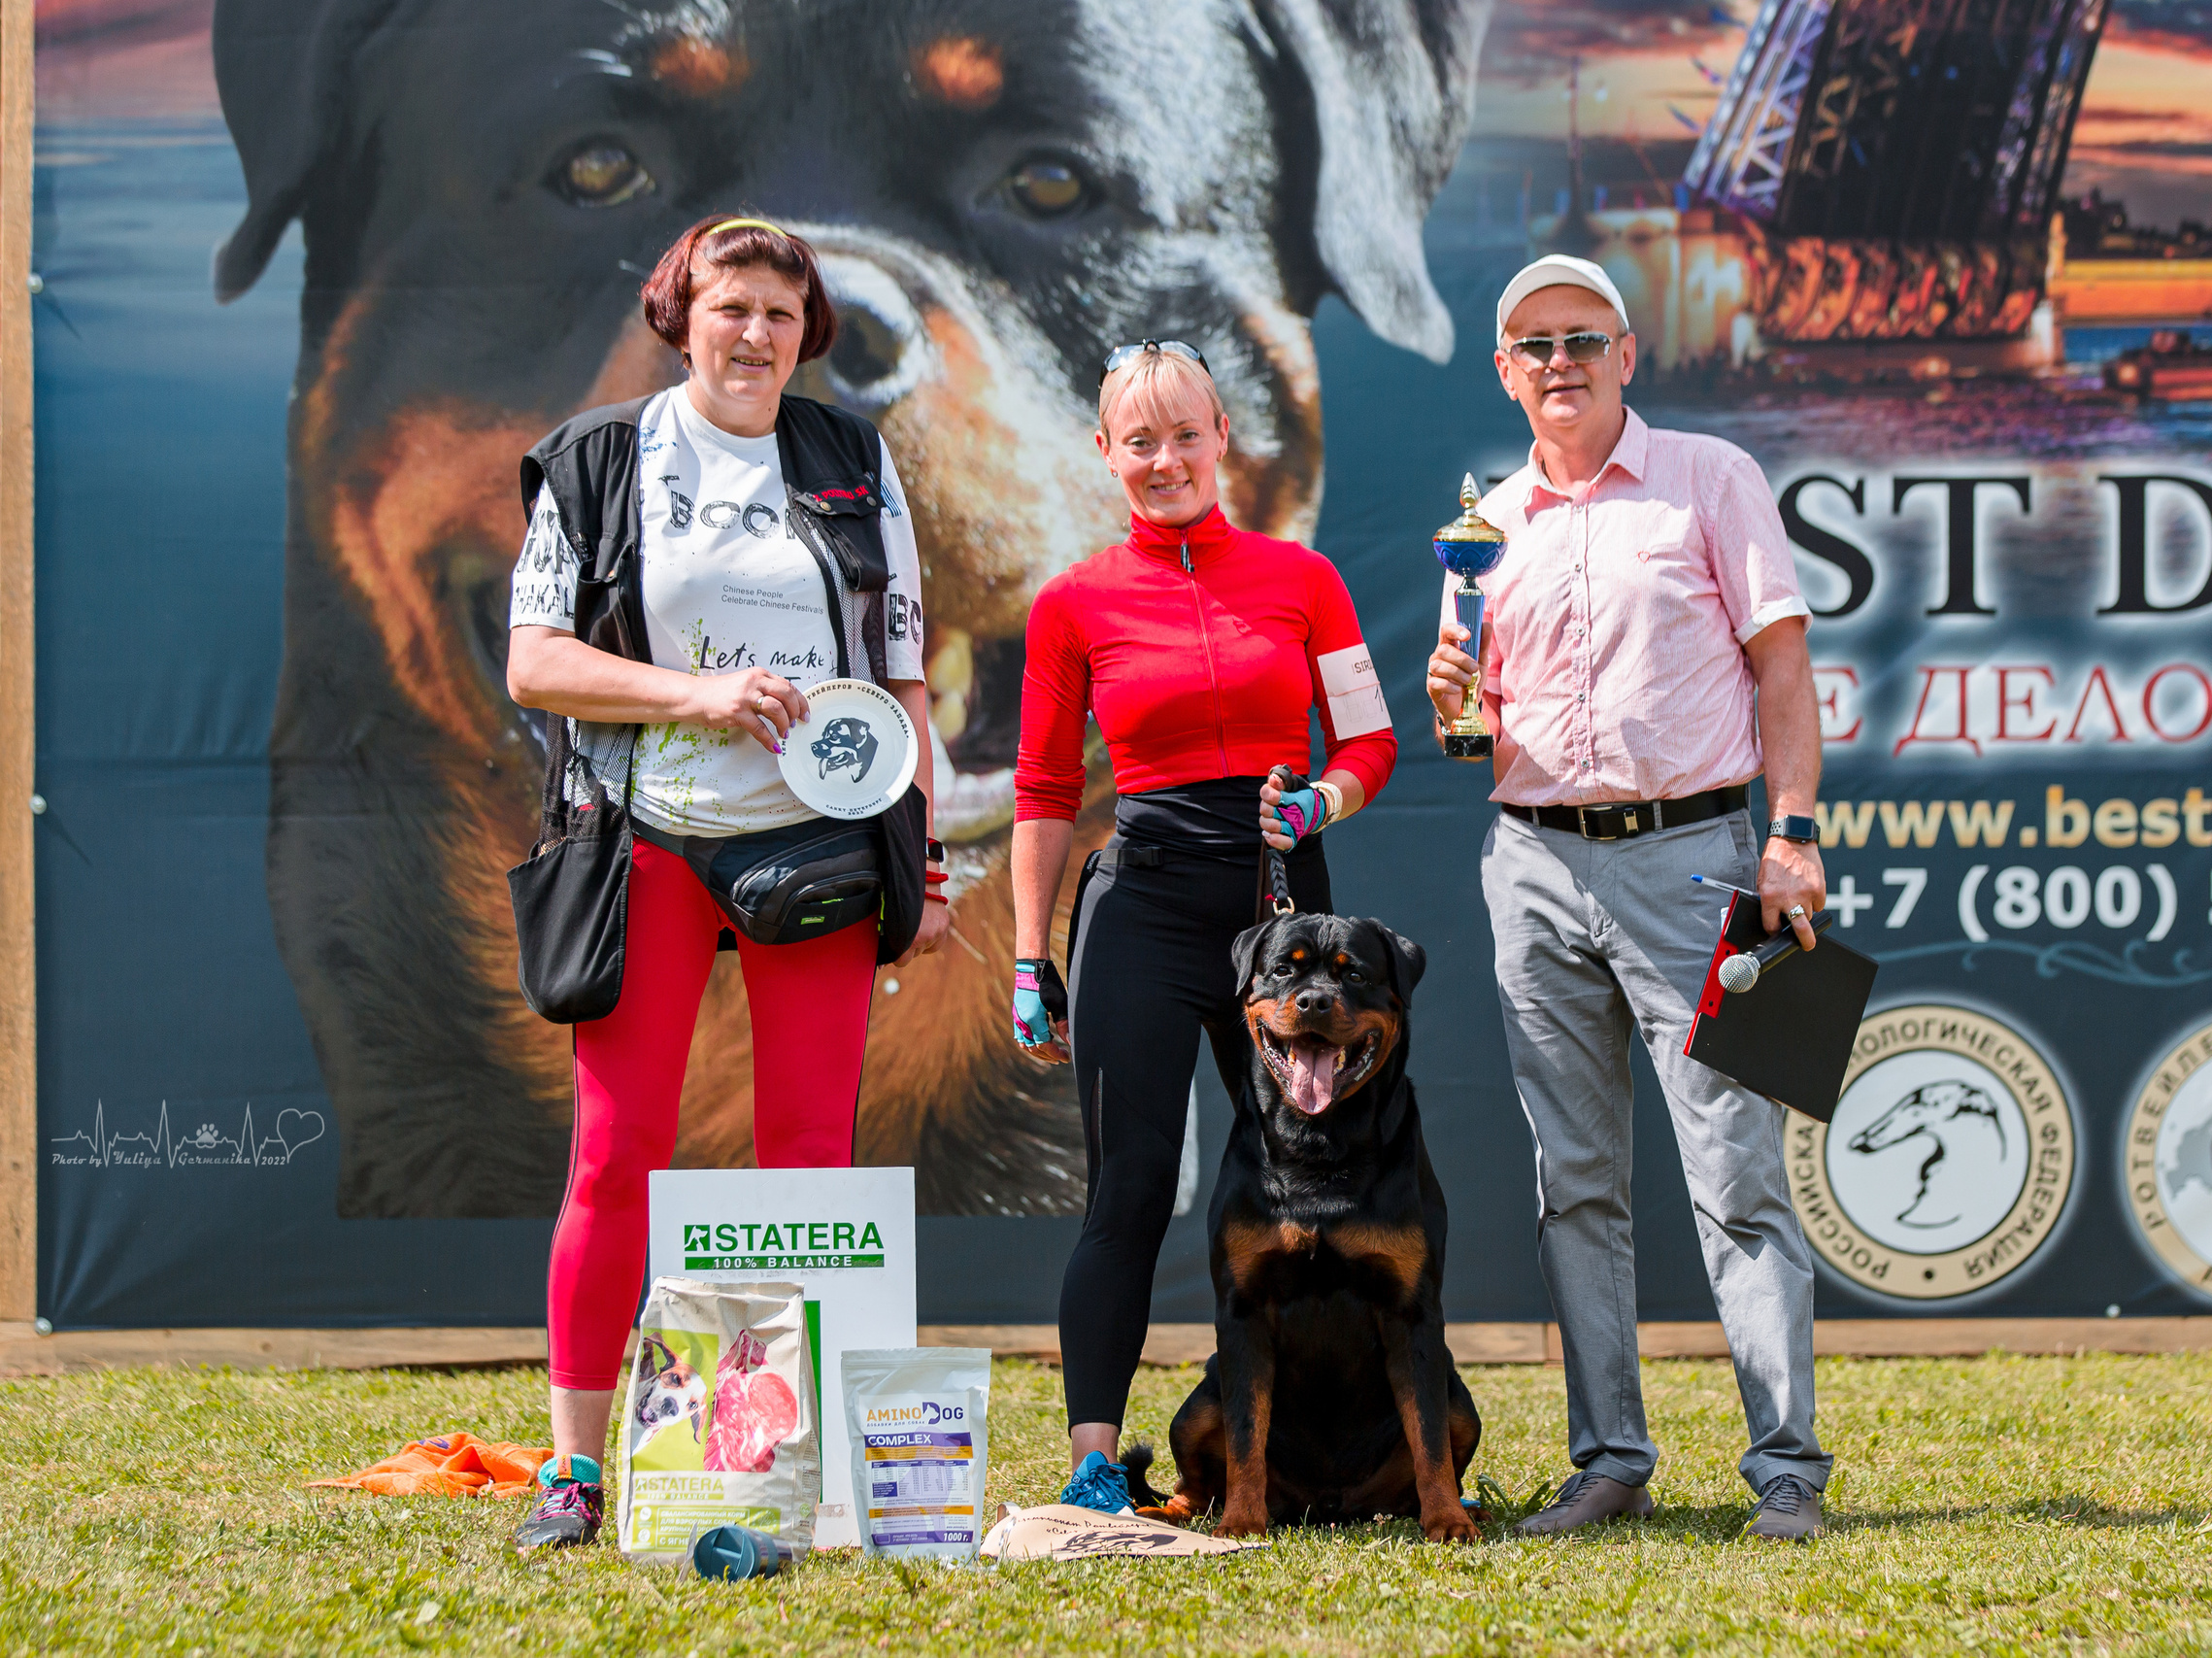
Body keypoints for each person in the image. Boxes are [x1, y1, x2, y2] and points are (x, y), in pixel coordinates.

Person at [503, 215, 952, 1550]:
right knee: (612, 1155)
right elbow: (534, 659)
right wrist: (696, 693)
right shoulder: (597, 456)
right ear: (678, 313)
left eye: (777, 310)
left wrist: (919, 854)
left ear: (806, 331)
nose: (751, 330)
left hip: (814, 840)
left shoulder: (854, 456)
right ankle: (574, 1470)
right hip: (645, 832)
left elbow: (907, 678)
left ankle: (782, 1464)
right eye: (728, 304)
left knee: (806, 1158)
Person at [1424, 254, 1833, 1542]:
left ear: (1627, 353)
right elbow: (1467, 728)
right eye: (1534, 343)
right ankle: (1608, 1458)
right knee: (1575, 1177)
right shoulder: (1482, 524)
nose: (1560, 362)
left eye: (1583, 338)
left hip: (1700, 856)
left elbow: (1783, 672)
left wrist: (1798, 835)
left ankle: (1785, 1469)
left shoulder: (1712, 475)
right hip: (1532, 860)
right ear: (1505, 369)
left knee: (1740, 1172)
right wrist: (1453, 694)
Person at [1012, 342, 1398, 1511]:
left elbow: (1372, 743)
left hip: (1284, 912)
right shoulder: (1071, 600)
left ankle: (1328, 1451)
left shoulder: (1305, 577)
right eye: (1141, 441)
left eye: (1186, 434)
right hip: (1145, 907)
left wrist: (1319, 801)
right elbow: (1037, 791)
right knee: (1127, 1189)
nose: (1166, 459)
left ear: (1224, 437)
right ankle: (1093, 1461)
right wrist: (1031, 958)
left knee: (1310, 1188)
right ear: (1106, 454)